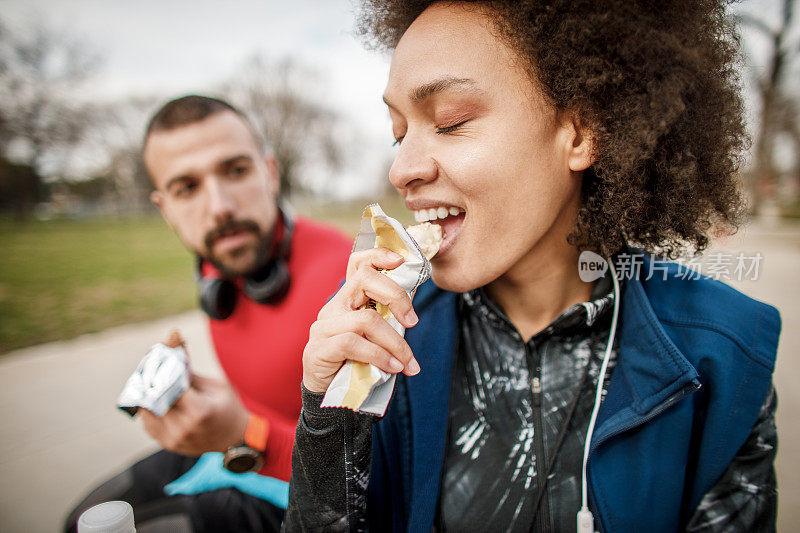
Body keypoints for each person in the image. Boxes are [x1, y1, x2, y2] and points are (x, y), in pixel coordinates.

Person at [284, 2, 781, 532]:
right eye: (399, 133)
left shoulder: (725, 354)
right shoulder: (383, 342)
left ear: (579, 132)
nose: (401, 169)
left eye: (449, 122)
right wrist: (327, 420)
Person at [64, 95, 352, 532]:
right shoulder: (216, 268)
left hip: (308, 485)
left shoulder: (348, 278)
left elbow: (375, 475)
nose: (219, 206)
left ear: (270, 173)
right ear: (167, 210)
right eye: (188, 187)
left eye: (236, 171)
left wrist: (246, 434)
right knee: (83, 520)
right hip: (235, 443)